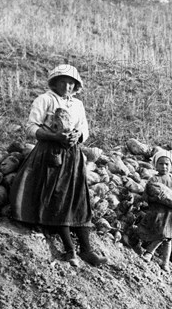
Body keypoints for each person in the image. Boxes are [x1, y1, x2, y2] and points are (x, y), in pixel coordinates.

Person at [10, 64, 107, 266]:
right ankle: (70, 249)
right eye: (64, 81)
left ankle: (87, 250)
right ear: (55, 82)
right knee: (58, 197)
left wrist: (77, 137)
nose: (68, 86)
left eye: (72, 83)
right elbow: (31, 127)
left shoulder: (77, 105)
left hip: (73, 155)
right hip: (49, 154)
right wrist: (54, 135)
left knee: (79, 197)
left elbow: (84, 129)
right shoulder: (44, 100)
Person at [138, 150, 172, 270]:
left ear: (171, 166)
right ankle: (149, 253)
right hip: (159, 213)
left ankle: (164, 261)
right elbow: (147, 195)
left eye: (167, 164)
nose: (164, 166)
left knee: (168, 239)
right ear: (156, 165)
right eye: (161, 164)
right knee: (164, 235)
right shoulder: (154, 180)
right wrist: (156, 198)